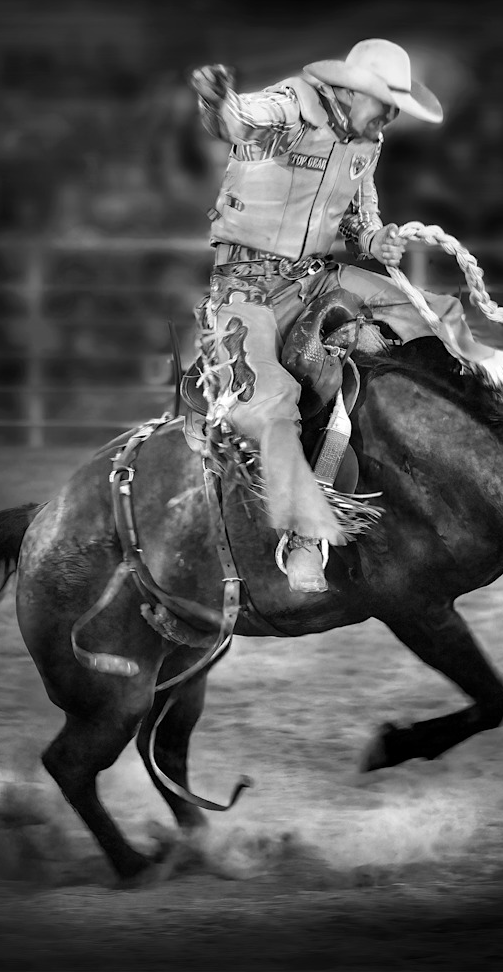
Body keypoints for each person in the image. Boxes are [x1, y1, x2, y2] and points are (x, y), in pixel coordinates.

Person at [191, 38, 458, 594]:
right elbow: (240, 121)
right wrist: (218, 100)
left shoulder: (367, 142)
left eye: (396, 109)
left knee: (432, 313)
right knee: (271, 404)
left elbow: (360, 218)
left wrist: (377, 239)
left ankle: (498, 398)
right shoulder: (291, 105)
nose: (389, 118)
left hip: (314, 277)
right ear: (352, 92)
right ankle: (303, 538)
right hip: (244, 291)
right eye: (385, 104)